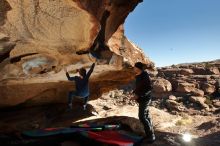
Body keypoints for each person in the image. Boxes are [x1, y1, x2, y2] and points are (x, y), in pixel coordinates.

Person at [131, 62, 155, 144]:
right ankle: (150, 134)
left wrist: (139, 96)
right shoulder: (138, 75)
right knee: (147, 116)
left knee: (142, 116)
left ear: (138, 68)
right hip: (141, 98)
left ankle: (150, 136)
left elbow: (149, 88)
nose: (133, 68)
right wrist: (134, 92)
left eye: (135, 67)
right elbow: (140, 86)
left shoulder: (145, 75)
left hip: (145, 99)